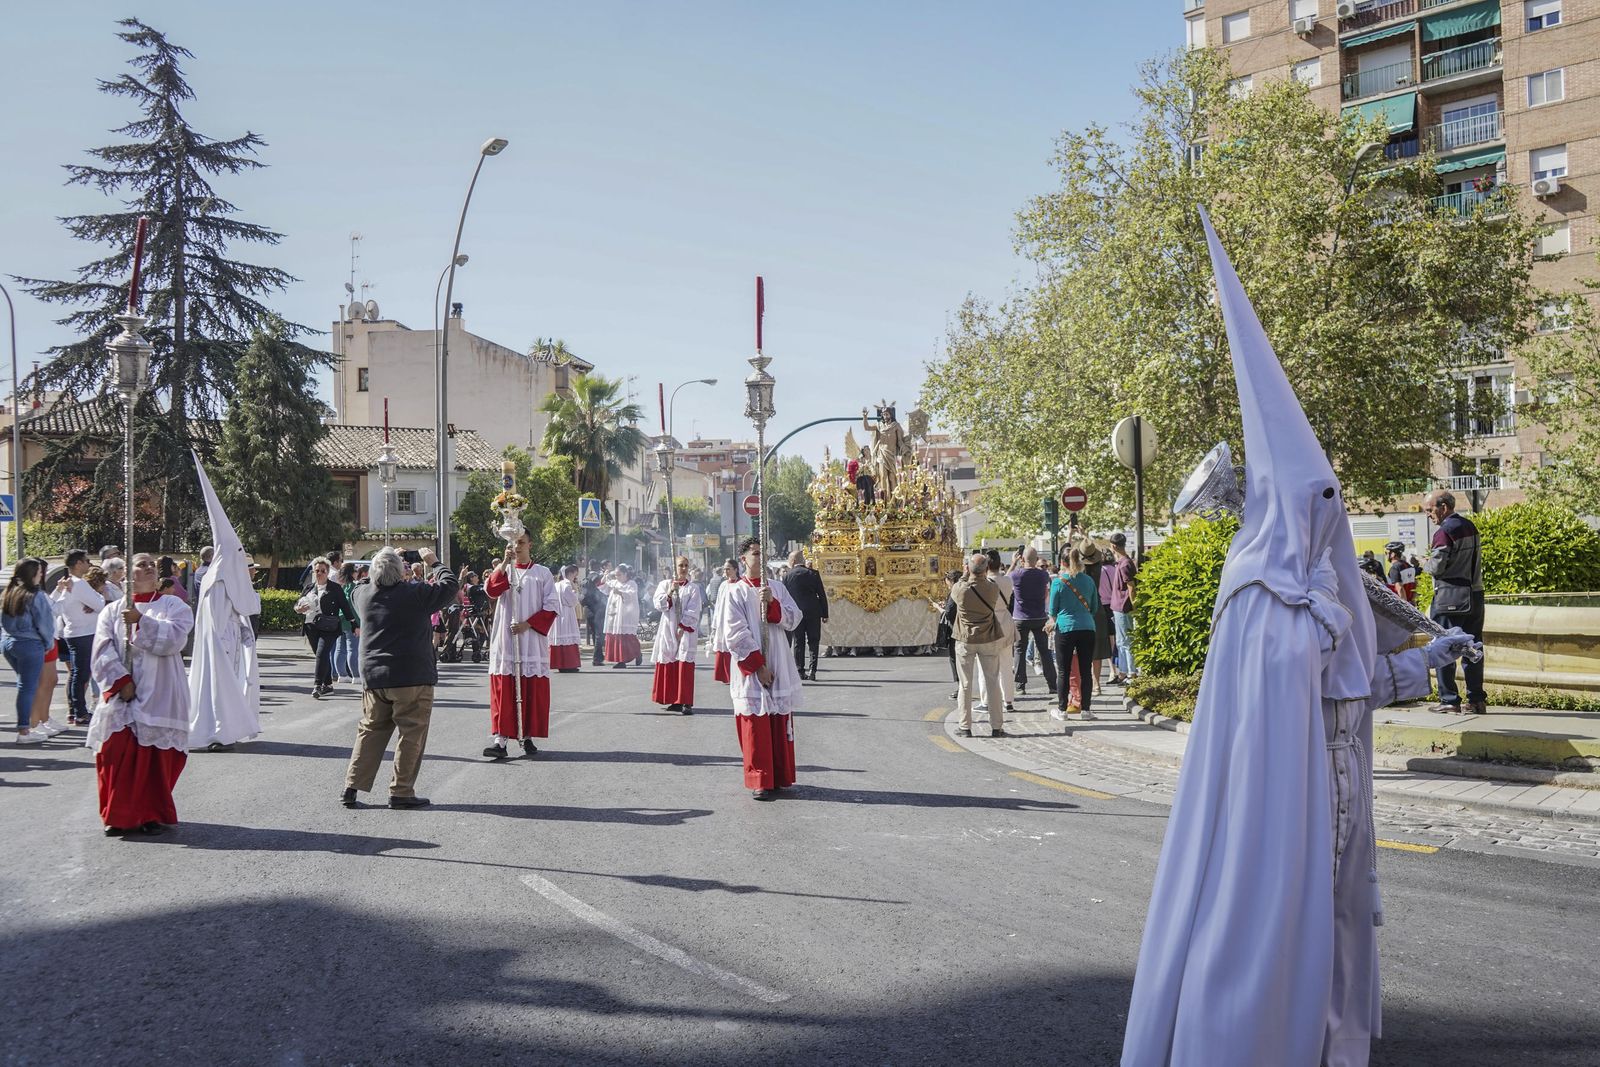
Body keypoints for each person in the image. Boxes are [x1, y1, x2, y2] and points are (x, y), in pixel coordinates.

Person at [1123, 211, 1480, 1067]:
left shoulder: (1320, 581)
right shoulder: (1258, 590)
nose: (1334, 514)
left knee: (1332, 944)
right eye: (1319, 499)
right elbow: (1287, 696)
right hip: (1279, 818)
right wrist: (1327, 629)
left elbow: (1352, 691)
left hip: (1336, 803)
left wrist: (1423, 657)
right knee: (1267, 943)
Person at [342, 547, 460, 809]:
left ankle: (352, 786)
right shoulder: (416, 594)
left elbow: (360, 581)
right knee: (411, 734)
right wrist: (434, 562)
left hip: (374, 676)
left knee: (370, 730)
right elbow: (450, 585)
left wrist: (384, 559)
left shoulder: (363, 595)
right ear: (401, 572)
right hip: (411, 675)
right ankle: (401, 791)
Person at [87, 553, 194, 835]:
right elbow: (101, 648)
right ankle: (118, 814)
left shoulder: (173, 605)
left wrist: (140, 620)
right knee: (115, 748)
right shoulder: (111, 611)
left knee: (154, 756)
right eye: (140, 564)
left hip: (161, 689)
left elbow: (175, 639)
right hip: (124, 691)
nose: (148, 567)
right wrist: (121, 680)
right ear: (128, 574)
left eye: (151, 564)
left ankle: (149, 813)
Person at [714, 537, 804, 800]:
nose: (760, 558)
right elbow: (735, 633)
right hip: (752, 665)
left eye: (762, 553)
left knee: (777, 719)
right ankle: (760, 779)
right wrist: (758, 666)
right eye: (754, 554)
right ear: (743, 559)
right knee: (755, 721)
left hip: (778, 656)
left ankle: (779, 775)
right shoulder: (736, 591)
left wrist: (772, 604)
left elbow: (794, 618)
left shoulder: (775, 586)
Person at [188, 457, 263, 752]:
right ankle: (221, 730)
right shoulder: (220, 578)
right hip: (222, 644)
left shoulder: (218, 575)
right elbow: (243, 608)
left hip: (224, 641)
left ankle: (226, 728)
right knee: (221, 690)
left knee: (222, 689)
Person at [482, 532, 560, 760]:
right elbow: (492, 590)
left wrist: (528, 624)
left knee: (529, 689)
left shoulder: (542, 573)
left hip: (531, 638)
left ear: (530, 544)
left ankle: (526, 735)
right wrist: (505, 563)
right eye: (512, 543)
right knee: (505, 689)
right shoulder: (506, 570)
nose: (517, 547)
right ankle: (500, 740)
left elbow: (552, 605)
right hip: (507, 640)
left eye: (521, 542)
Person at [1423, 489, 1487, 715]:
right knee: (1473, 647)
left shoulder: (1444, 532)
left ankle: (1449, 700)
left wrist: (1424, 563)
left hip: (1449, 598)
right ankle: (1477, 700)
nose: (1428, 515)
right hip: (1475, 596)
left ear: (1443, 507)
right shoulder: (1470, 526)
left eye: (1430, 510)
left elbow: (1438, 567)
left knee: (1443, 647)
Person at [951, 551, 1010, 738]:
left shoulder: (961, 589)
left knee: (966, 684)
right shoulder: (992, 588)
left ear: (968, 568)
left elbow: (958, 587)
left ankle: (965, 726)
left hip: (966, 638)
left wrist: (965, 572)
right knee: (992, 682)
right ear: (986, 569)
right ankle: (996, 726)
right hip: (988, 637)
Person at [3, 559, 58, 745]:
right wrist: (48, 643)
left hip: (9, 642)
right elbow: (45, 624)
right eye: (40, 572)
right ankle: (25, 730)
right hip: (30, 644)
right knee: (27, 687)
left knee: (25, 686)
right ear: (33, 574)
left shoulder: (9, 592)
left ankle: (26, 727)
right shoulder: (36, 595)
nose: (42, 575)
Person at [51, 548, 103, 727]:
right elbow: (99, 604)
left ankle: (75, 711)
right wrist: (97, 600)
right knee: (81, 674)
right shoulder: (79, 584)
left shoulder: (72, 583)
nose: (89, 564)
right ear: (79, 563)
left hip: (76, 632)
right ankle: (79, 712)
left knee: (76, 673)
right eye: (87, 561)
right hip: (83, 633)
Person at [1050, 547, 1102, 722]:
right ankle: (1086, 709)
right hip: (1087, 626)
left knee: (1064, 670)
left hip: (1065, 627)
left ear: (1062, 562)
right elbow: (1094, 606)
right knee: (1085, 670)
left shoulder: (1058, 582)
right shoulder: (1088, 581)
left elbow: (1053, 609)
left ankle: (1062, 709)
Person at [295, 557, 358, 698]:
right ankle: (328, 685)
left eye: (323, 571)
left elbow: (346, 607)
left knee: (322, 654)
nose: (320, 573)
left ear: (328, 572)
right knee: (321, 656)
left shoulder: (335, 588)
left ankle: (317, 685)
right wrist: (298, 609)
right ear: (313, 572)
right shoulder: (309, 588)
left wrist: (354, 624)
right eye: (317, 571)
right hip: (311, 626)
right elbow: (297, 604)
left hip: (329, 627)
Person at [651, 555, 704, 713]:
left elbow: (694, 609)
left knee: (684, 664)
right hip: (668, 627)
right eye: (681, 565)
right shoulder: (665, 584)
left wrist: (683, 626)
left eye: (686, 565)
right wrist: (669, 592)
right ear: (674, 567)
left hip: (685, 631)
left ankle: (686, 701)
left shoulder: (693, 588)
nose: (684, 568)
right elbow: (659, 605)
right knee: (670, 661)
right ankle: (674, 700)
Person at [1009, 547, 1057, 699]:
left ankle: (1020, 685)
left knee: (1019, 651)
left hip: (1020, 618)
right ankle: (1052, 684)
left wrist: (1013, 563)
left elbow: (1005, 577)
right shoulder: (1043, 575)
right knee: (1044, 651)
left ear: (1022, 559)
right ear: (1036, 560)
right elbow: (1045, 593)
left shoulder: (1016, 574)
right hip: (1039, 616)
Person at [781, 549, 828, 681]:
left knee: (798, 642)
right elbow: (821, 595)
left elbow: (784, 597)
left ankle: (800, 670)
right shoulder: (813, 574)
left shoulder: (787, 576)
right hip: (813, 612)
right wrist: (825, 613)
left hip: (796, 613)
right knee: (813, 641)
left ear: (793, 561)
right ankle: (813, 671)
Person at [1104, 532, 1139, 684]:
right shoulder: (1124, 562)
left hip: (1123, 607)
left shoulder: (1124, 564)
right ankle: (1124, 672)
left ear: (1113, 546)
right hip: (1119, 606)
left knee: (1125, 641)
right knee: (1121, 640)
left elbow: (1131, 586)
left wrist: (1134, 605)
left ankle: (1131, 672)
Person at [602, 564, 642, 668]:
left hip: (626, 615)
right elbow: (603, 587)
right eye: (615, 575)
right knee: (616, 636)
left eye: (619, 575)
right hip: (615, 615)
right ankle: (620, 660)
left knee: (628, 637)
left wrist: (620, 592)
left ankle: (637, 654)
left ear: (625, 574)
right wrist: (605, 576)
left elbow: (631, 595)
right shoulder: (615, 582)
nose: (617, 577)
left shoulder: (632, 584)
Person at [709, 557, 739, 684]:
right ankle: (726, 675)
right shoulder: (723, 585)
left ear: (736, 570)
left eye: (728, 569)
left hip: (736, 620)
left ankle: (736, 674)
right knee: (723, 647)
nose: (726, 572)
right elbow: (719, 605)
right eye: (724, 569)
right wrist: (715, 625)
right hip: (722, 619)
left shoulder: (740, 585)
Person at [551, 564, 584, 673]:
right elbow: (573, 601)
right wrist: (576, 592)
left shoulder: (557, 584)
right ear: (572, 573)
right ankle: (569, 664)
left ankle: (561, 664)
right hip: (567, 613)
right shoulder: (567, 584)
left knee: (561, 639)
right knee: (569, 638)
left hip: (558, 615)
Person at [939, 569, 961, 700]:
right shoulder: (964, 590)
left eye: (946, 580)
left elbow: (948, 613)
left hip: (955, 630)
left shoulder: (954, 592)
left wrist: (940, 609)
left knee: (955, 659)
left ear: (951, 580)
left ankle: (961, 688)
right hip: (963, 628)